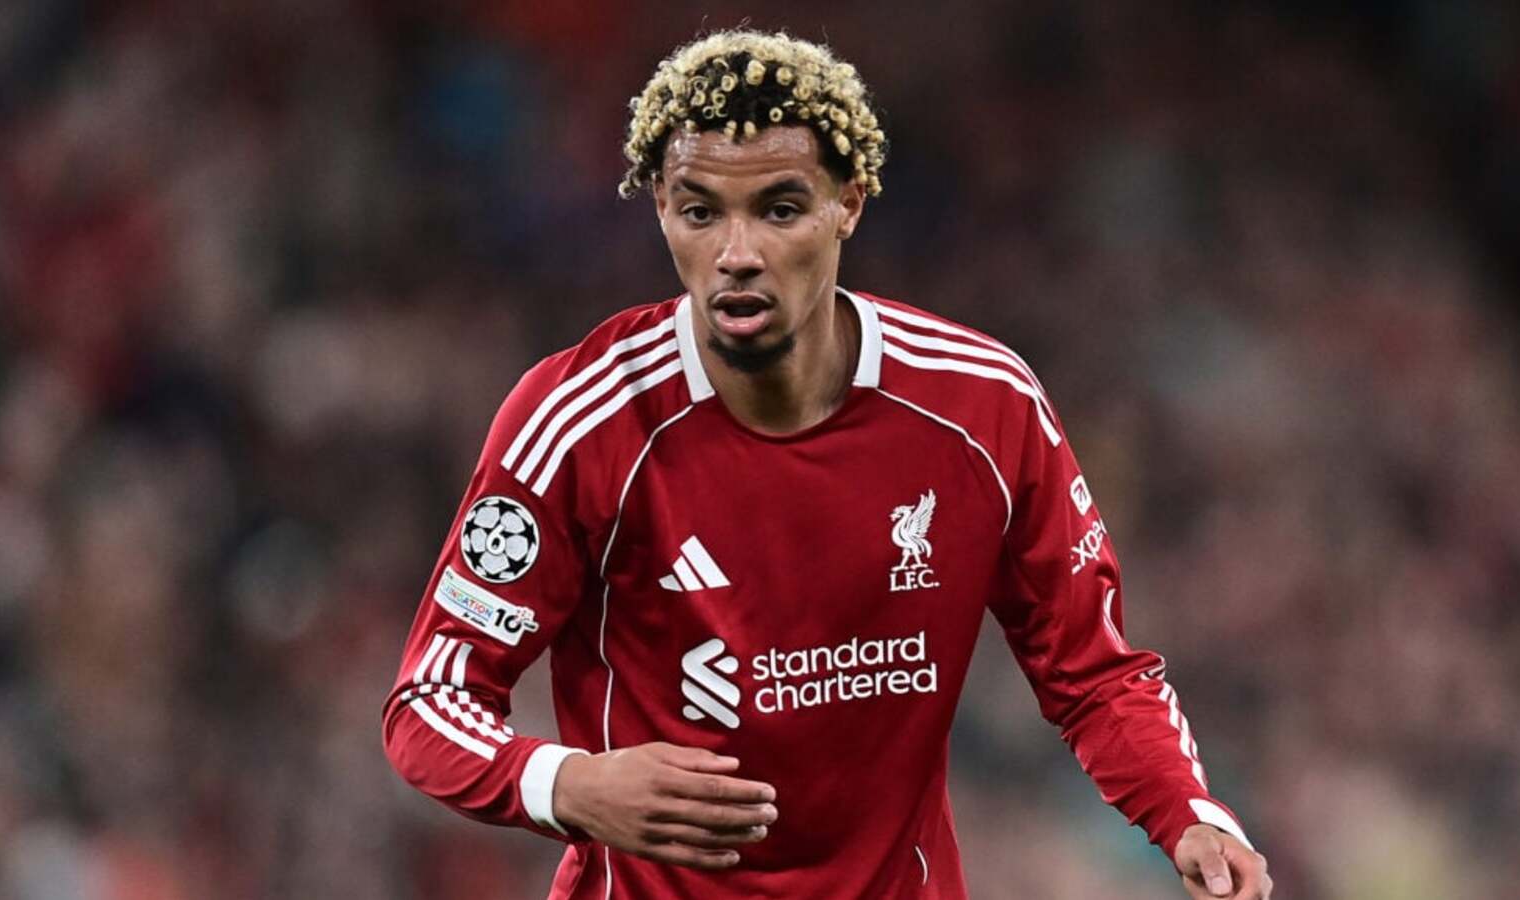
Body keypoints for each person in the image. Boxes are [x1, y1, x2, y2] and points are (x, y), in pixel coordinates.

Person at [382, 28, 1272, 900]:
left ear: (848, 202)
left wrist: (1188, 814)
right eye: (700, 211)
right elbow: (429, 699)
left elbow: (1092, 670)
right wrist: (567, 784)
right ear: (659, 207)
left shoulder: (981, 407)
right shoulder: (580, 422)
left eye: (779, 209)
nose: (737, 255)